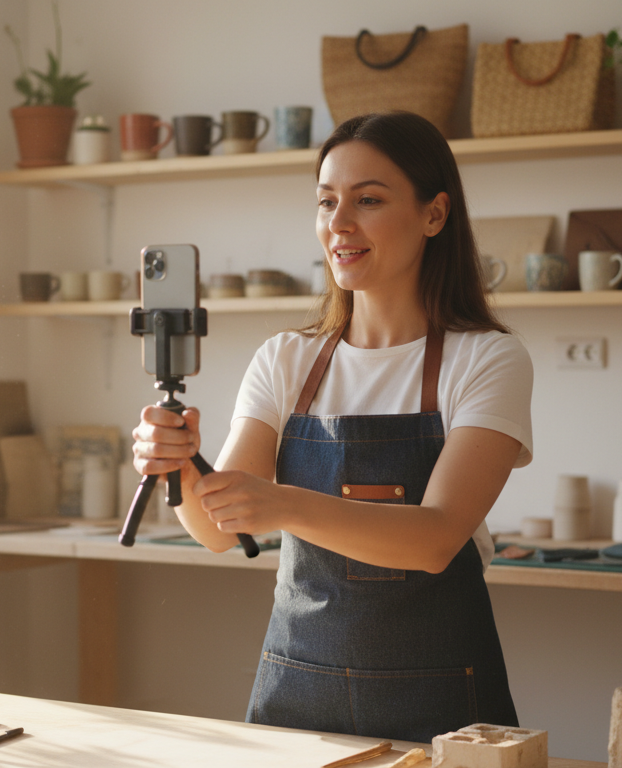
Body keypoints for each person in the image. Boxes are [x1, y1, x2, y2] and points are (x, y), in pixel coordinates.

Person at [131, 111, 533, 743]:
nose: (339, 223)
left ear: (434, 214)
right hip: (298, 693)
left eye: (367, 200)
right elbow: (218, 530)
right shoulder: (284, 359)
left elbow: (434, 541)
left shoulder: (486, 359)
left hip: (441, 705)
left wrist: (283, 503)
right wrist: (176, 464)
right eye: (326, 202)